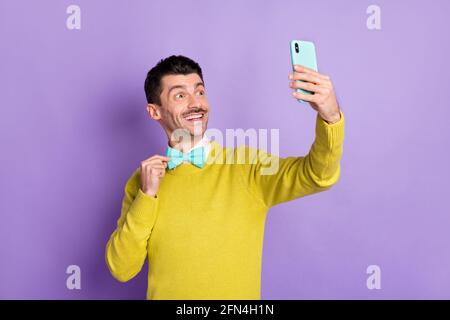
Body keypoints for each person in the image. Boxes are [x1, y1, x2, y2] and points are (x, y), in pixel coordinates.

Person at [105, 55, 345, 300]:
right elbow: (121, 268)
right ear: (155, 111)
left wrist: (331, 117)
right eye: (180, 95)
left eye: (199, 92)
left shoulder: (246, 166)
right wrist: (146, 196)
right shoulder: (142, 181)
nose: (195, 103)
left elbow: (317, 175)